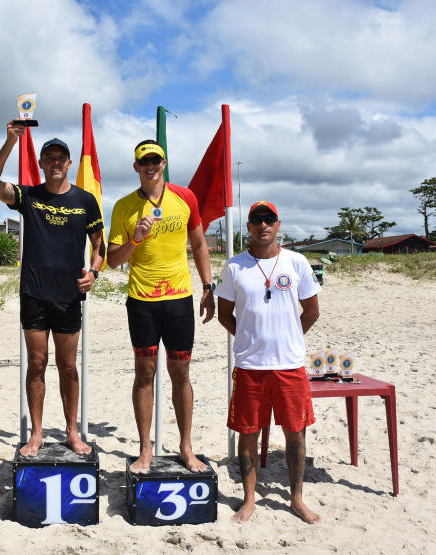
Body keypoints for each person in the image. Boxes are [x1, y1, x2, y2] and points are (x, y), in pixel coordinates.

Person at [0, 120, 105, 457]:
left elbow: (99, 244)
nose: (54, 162)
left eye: (60, 158)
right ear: (41, 163)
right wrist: (9, 142)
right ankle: (36, 433)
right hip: (34, 293)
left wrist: (93, 272)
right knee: (36, 363)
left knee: (67, 366)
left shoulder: (85, 200)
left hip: (68, 296)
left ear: (68, 163)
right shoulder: (28, 196)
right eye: (48, 157)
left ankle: (72, 432)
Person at [106, 140, 216, 474]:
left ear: (164, 163)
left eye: (155, 160)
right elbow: (112, 261)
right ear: (136, 167)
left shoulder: (185, 198)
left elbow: (198, 244)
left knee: (180, 373)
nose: (150, 166)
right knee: (145, 374)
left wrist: (208, 286)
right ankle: (145, 450)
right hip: (142, 303)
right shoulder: (124, 207)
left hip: (179, 301)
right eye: (144, 161)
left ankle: (186, 447)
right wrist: (135, 240)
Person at [215, 201, 322, 524]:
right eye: (257, 220)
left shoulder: (297, 262)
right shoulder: (234, 267)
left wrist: (291, 338)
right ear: (248, 227)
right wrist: (249, 339)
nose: (263, 225)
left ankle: (297, 499)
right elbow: (223, 315)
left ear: (278, 226)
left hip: (290, 366)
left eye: (269, 220)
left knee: (295, 432)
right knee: (248, 433)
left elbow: (312, 311)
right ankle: (249, 500)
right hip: (250, 366)